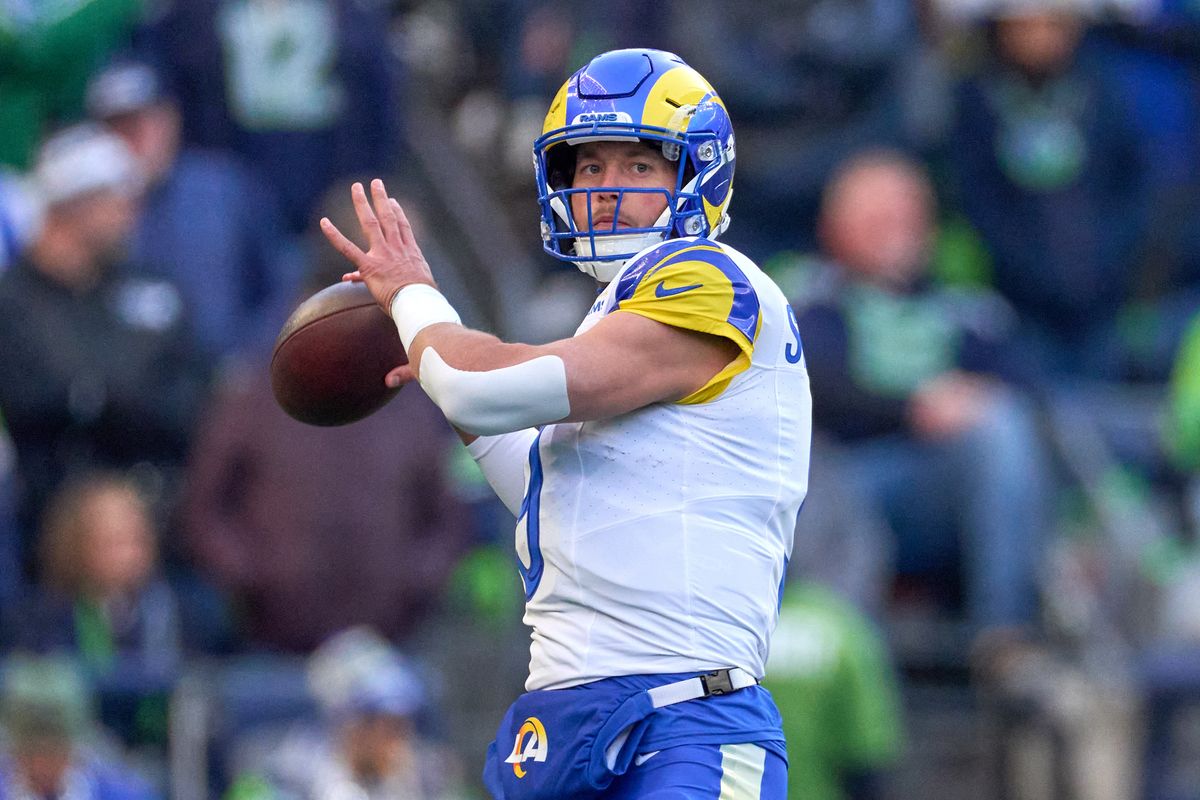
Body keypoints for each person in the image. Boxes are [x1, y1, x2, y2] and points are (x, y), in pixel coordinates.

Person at [322, 48, 811, 799]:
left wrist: (418, 305)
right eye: (589, 168)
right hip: (562, 724)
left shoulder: (709, 278)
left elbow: (478, 389)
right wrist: (430, 357)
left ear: (696, 174)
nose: (606, 189)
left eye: (638, 167)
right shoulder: (609, 313)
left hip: (680, 723)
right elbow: (548, 492)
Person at [794, 149, 1049, 636]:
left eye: (905, 214)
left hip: (943, 486)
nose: (895, 228)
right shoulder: (806, 300)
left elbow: (1028, 391)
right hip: (841, 476)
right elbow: (810, 385)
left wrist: (970, 401)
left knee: (1004, 427)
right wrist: (914, 409)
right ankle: (845, 650)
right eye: (876, 216)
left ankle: (1006, 640)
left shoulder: (967, 311)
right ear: (834, 226)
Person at [0, 125, 209, 580]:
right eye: (117, 197)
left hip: (157, 501)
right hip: (46, 513)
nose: (131, 211)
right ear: (73, 205)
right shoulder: (13, 299)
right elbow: (31, 398)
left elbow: (191, 395)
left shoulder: (151, 287)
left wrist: (98, 396)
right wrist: (108, 396)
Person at [85, 60, 304, 361]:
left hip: (228, 376)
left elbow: (281, 280)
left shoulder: (225, 188)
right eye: (117, 129)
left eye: (142, 124)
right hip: (129, 386)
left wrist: (252, 356)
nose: (134, 141)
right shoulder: (84, 211)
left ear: (170, 120)